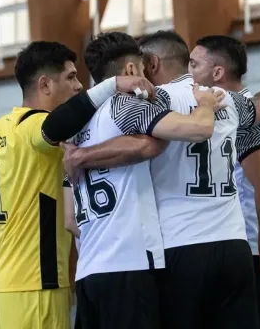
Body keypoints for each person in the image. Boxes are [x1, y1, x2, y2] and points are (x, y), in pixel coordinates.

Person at [0, 41, 159, 329]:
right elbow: (54, 126)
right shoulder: (36, 125)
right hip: (37, 281)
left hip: (4, 282)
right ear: (45, 85)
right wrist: (111, 85)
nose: (79, 85)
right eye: (70, 77)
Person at [65, 31, 227, 329]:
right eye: (142, 70)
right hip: (128, 263)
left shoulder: (77, 127)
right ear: (130, 71)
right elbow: (195, 130)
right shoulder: (124, 105)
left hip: (88, 269)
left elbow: (69, 222)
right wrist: (205, 104)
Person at [188, 34, 260, 329]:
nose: (188, 72)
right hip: (259, 248)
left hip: (258, 251)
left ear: (217, 72)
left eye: (194, 64)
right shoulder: (248, 109)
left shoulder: (239, 118)